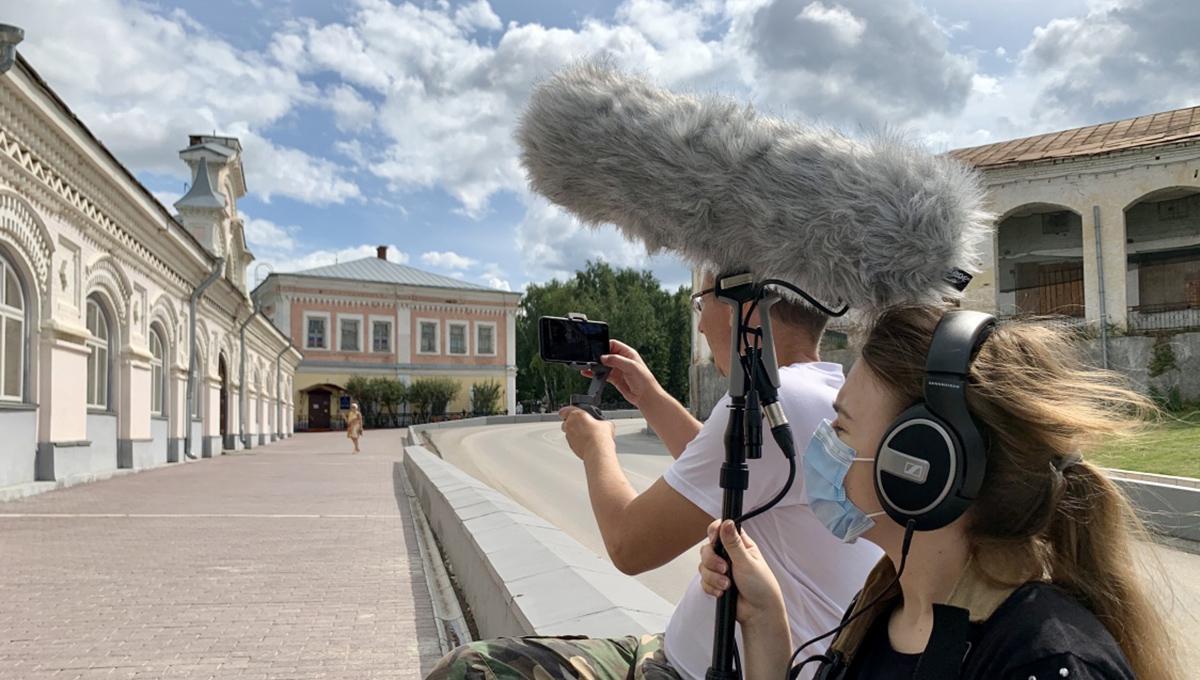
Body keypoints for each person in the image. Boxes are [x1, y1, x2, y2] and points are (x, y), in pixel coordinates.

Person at [429, 273, 881, 679]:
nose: (700, 326)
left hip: (682, 670)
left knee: (470, 669)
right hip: (687, 654)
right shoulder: (822, 394)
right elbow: (732, 476)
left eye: (702, 302)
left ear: (743, 305)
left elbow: (630, 544)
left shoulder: (771, 403)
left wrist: (595, 448)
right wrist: (648, 394)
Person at [698, 305, 1182, 680]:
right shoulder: (884, 606)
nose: (824, 444)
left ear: (925, 464)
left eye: (842, 427)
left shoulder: (1043, 660)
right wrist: (764, 621)